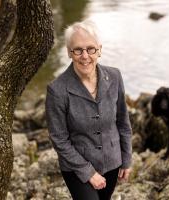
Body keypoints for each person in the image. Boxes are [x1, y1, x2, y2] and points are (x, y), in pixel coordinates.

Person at [45, 20, 132, 200]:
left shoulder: (115, 76)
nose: (85, 56)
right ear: (70, 53)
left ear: (99, 50)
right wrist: (88, 173)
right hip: (76, 167)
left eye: (90, 49)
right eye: (78, 50)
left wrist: (126, 158)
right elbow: (59, 139)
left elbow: (123, 122)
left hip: (112, 162)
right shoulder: (57, 90)